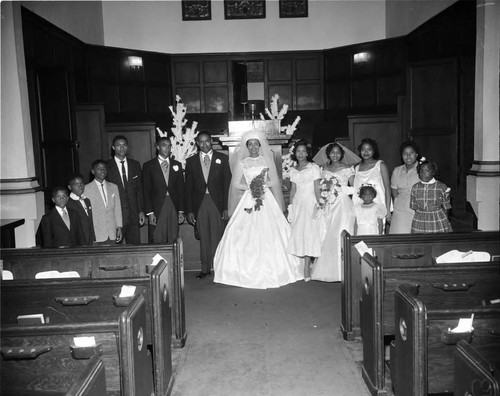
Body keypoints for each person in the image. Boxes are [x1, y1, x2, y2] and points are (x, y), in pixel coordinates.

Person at [213, 130, 303, 289]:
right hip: (249, 197)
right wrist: (250, 186)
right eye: (250, 144)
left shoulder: (265, 160)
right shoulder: (243, 162)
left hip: (265, 198)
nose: (253, 146)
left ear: (259, 145)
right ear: (246, 146)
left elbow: (273, 181)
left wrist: (261, 186)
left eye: (256, 143)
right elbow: (235, 184)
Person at [185, 132, 231, 279]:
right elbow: (188, 187)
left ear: (211, 141)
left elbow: (227, 184)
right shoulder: (191, 161)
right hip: (200, 203)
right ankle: (205, 268)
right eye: (201, 142)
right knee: (203, 236)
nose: (204, 145)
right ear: (197, 143)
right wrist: (190, 210)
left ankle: (219, 267)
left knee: (218, 235)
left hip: (216, 202)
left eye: (207, 141)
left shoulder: (222, 158)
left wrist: (226, 206)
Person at [311, 142, 357, 282]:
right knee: (328, 234)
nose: (335, 155)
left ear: (342, 154)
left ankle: (343, 270)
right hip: (329, 204)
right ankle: (328, 270)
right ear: (328, 154)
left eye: (338, 152)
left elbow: (355, 189)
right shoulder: (323, 169)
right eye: (332, 152)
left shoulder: (348, 169)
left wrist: (340, 189)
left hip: (342, 205)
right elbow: (319, 187)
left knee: (341, 233)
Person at [287, 139, 322, 282]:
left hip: (310, 202)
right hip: (298, 204)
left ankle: (307, 267)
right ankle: (301, 265)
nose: (301, 154)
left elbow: (317, 188)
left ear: (307, 153)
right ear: (295, 153)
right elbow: (293, 190)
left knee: (310, 232)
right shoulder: (293, 170)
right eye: (298, 151)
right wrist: (290, 207)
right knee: (299, 233)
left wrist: (319, 204)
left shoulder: (314, 168)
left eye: (303, 151)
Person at [142, 137, 185, 244]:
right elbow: (146, 191)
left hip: (173, 205)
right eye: (164, 145)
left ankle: (173, 260)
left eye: (169, 145)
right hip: (157, 206)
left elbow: (181, 189)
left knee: (173, 236)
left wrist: (181, 211)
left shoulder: (177, 165)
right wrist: (150, 212)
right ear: (157, 147)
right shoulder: (148, 166)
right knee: (157, 236)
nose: (167, 148)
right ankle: (159, 261)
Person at [106, 135, 145, 244]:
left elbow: (139, 190)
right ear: (113, 147)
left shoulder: (135, 165)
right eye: (118, 145)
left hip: (133, 214)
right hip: (116, 216)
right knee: (116, 250)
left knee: (135, 248)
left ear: (127, 147)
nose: (121, 148)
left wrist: (141, 210)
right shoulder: (107, 166)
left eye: (124, 145)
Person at [352, 138, 392, 229]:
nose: (366, 152)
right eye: (363, 149)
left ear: (374, 151)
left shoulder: (380, 165)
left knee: (377, 232)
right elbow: (355, 190)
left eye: (369, 149)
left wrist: (388, 210)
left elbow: (387, 187)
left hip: (378, 207)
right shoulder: (357, 168)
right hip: (361, 208)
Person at [84, 160, 123, 245]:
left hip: (111, 232)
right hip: (96, 234)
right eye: (99, 168)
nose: (102, 170)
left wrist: (119, 227)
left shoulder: (113, 187)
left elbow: (117, 209)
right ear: (93, 171)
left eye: (104, 168)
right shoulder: (86, 189)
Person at [410, 160, 452, 233]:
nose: (423, 173)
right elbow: (414, 207)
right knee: (420, 241)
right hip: (420, 220)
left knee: (437, 242)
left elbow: (446, 206)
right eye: (421, 171)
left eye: (426, 170)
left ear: (433, 172)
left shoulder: (441, 187)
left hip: (437, 219)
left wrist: (444, 221)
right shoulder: (415, 187)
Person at [390, 141, 421, 234]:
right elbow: (394, 193)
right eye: (405, 153)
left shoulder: (423, 169)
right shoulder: (397, 171)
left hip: (419, 210)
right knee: (399, 239)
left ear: (416, 154)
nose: (408, 156)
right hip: (400, 210)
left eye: (411, 153)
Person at [66, 174, 96, 245]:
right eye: (76, 184)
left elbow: (90, 220)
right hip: (77, 241)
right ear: (70, 187)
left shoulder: (87, 200)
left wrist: (93, 238)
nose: (80, 186)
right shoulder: (68, 203)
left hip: (89, 239)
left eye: (82, 183)